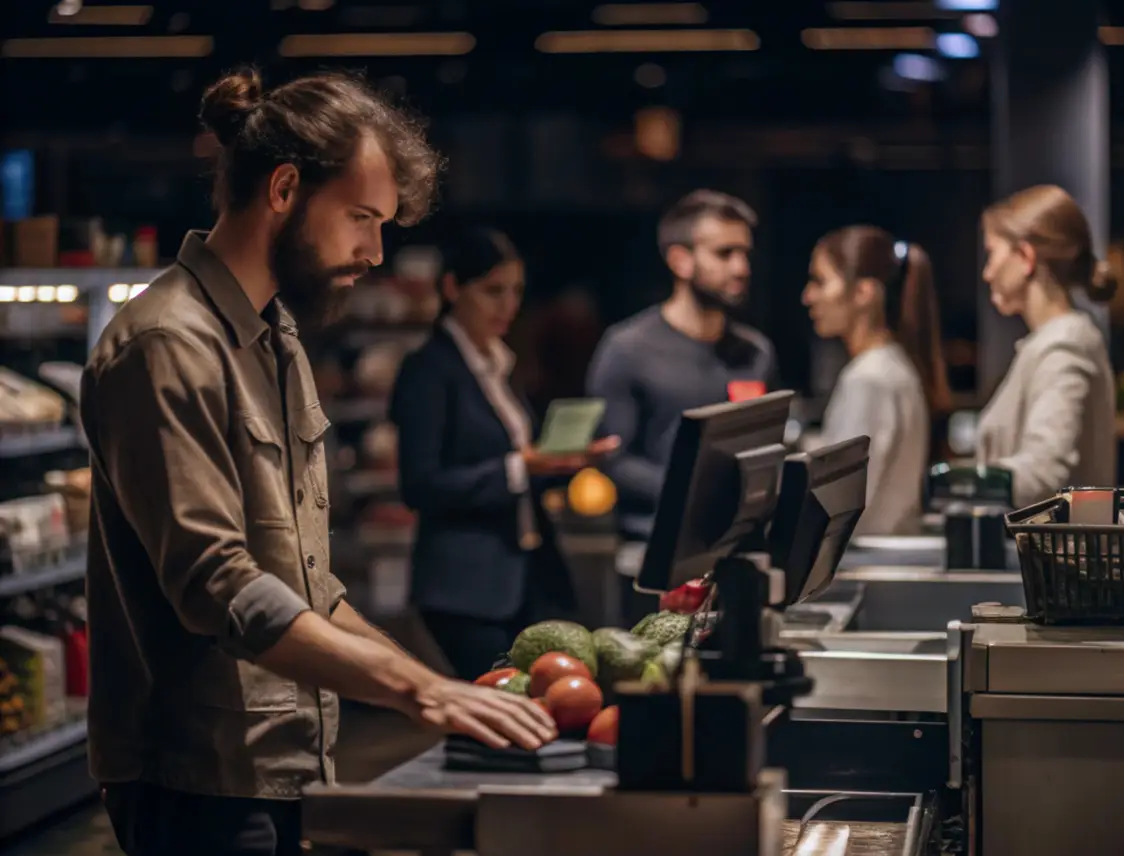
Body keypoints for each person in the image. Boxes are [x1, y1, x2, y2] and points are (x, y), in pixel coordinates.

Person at [80, 69, 555, 856]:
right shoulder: (168, 344)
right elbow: (218, 584)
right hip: (196, 774)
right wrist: (417, 690)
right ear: (285, 188)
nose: (373, 251)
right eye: (362, 218)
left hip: (287, 760)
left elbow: (307, 583)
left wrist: (430, 687)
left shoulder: (279, 339)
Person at [391, 228, 616, 680]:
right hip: (466, 587)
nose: (508, 305)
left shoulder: (501, 365)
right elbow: (421, 486)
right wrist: (520, 468)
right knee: (500, 713)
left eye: (516, 292)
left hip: (531, 575)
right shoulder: (429, 370)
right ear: (453, 288)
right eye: (493, 290)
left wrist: (564, 463)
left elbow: (522, 472)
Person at [585, 190, 776, 620]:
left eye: (744, 252)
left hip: (737, 560)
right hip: (654, 564)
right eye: (724, 253)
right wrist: (700, 492)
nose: (741, 267)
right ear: (680, 260)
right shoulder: (627, 348)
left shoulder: (756, 352)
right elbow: (612, 460)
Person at [802, 226, 951, 535]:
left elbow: (839, 503)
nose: (808, 296)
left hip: (865, 566)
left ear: (863, 293)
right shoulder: (893, 365)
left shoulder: (869, 379)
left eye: (820, 281)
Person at [976, 184, 1117, 508]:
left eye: (992, 253)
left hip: (1055, 559)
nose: (987, 273)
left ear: (1025, 257)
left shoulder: (1064, 344)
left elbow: (1042, 471)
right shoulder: (1054, 341)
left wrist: (954, 483)